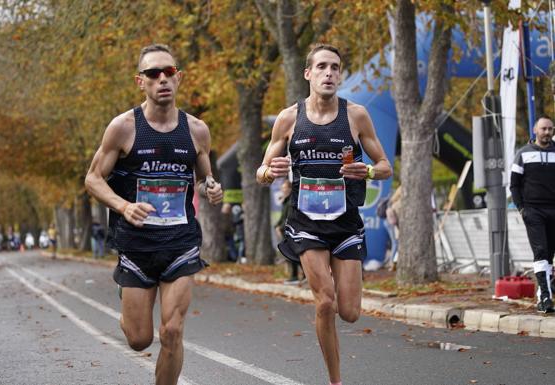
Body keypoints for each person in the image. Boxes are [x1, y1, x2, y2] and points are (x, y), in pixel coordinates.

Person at [84, 43, 223, 385]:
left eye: (169, 72)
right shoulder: (123, 127)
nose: (162, 79)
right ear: (140, 81)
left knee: (172, 331)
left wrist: (212, 188)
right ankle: (128, 306)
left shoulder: (196, 130)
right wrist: (123, 205)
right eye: (153, 73)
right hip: (136, 245)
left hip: (180, 242)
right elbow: (93, 178)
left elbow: (206, 178)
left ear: (179, 78)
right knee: (139, 339)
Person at [257, 44, 391, 385]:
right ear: (308, 74)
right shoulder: (289, 118)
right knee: (325, 302)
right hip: (306, 222)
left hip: (345, 222)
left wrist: (369, 172)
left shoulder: (356, 116)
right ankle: (335, 381)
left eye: (334, 67)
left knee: (349, 312)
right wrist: (270, 171)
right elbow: (261, 172)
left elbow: (386, 166)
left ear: (340, 74)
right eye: (321, 67)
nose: (328, 73)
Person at [510, 116, 555, 313]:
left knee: (550, 255)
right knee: (541, 252)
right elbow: (514, 185)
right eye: (543, 129)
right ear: (535, 130)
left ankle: (544, 291)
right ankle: (545, 297)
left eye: (550, 129)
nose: (547, 132)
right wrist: (521, 208)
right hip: (533, 210)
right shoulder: (523, 154)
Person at [275, 178, 301, 284]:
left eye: (285, 188)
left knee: (294, 255)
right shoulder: (286, 201)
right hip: (285, 231)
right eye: (282, 189)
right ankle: (294, 276)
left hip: (290, 231)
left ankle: (298, 276)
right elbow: (282, 217)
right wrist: (277, 225)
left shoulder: (291, 201)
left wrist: (280, 227)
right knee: (289, 255)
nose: (283, 190)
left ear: (290, 188)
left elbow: (288, 217)